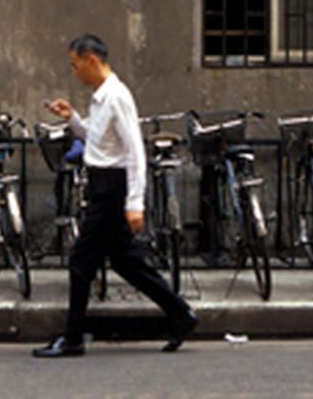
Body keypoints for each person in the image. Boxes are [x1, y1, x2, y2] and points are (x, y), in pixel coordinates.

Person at [33, 34, 199, 358]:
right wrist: (73, 120)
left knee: (81, 260)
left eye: (76, 65)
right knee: (126, 261)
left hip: (111, 187)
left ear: (92, 60)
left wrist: (135, 203)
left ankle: (73, 338)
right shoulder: (100, 98)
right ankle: (181, 314)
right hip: (102, 183)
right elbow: (97, 141)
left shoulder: (117, 97)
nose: (75, 73)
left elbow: (135, 150)